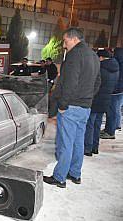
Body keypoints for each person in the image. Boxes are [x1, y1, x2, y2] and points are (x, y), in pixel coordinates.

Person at [43, 27, 101, 188]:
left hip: (71, 107)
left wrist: (63, 105)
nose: (64, 45)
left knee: (65, 143)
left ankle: (60, 177)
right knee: (78, 141)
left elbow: (69, 83)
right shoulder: (94, 56)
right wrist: (87, 98)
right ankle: (75, 174)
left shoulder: (74, 55)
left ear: (74, 39)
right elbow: (98, 83)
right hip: (85, 107)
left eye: (65, 40)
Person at [84, 49, 119, 156]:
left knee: (90, 124)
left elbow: (93, 84)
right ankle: (95, 147)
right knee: (97, 124)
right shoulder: (116, 68)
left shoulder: (100, 68)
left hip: (95, 99)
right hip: (106, 100)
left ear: (101, 58)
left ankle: (87, 148)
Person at [101, 47, 123, 139]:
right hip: (120, 91)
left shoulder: (117, 63)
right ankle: (110, 129)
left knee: (112, 112)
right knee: (115, 110)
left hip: (115, 90)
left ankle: (110, 132)